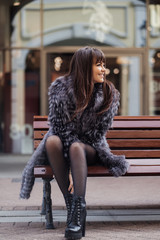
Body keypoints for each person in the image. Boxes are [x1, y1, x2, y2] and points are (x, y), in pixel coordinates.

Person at [20, 46, 129, 239]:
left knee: (77, 147)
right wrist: (69, 161)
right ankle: (74, 208)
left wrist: (72, 163)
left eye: (104, 65)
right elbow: (60, 128)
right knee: (52, 140)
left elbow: (96, 135)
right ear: (85, 67)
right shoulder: (60, 89)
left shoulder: (108, 93)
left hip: (91, 148)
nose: (104, 69)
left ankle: (77, 215)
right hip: (65, 145)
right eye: (98, 65)